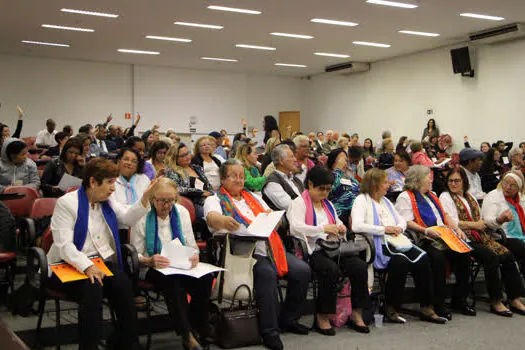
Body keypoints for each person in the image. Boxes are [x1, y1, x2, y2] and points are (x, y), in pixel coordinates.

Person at [47, 158, 155, 350]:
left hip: (99, 262)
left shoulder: (107, 202)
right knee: (93, 287)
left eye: (114, 182)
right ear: (92, 182)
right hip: (66, 265)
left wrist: (145, 198)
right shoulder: (66, 203)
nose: (114, 188)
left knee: (123, 283)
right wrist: (87, 266)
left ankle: (128, 342)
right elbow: (64, 245)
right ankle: (89, 346)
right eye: (109, 182)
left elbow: (128, 219)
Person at [204, 160, 310, 350]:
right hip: (241, 252)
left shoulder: (253, 197)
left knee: (302, 270)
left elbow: (271, 216)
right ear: (222, 179)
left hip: (269, 246)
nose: (239, 180)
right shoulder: (215, 199)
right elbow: (212, 218)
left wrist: (274, 221)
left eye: (242, 176)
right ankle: (270, 331)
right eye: (234, 176)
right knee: (266, 273)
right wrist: (224, 221)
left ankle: (288, 319)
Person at [352, 168, 446, 324]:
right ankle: (391, 307)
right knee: (400, 261)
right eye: (385, 182)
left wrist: (399, 229)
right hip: (377, 243)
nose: (388, 184)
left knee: (422, 259)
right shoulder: (361, 200)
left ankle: (427, 307)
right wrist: (384, 230)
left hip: (395, 240)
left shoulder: (386, 201)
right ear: (375, 184)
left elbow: (401, 220)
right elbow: (356, 226)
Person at [131, 178, 213, 350]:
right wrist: (148, 260)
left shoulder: (181, 212)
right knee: (174, 282)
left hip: (180, 263)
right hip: (152, 266)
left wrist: (194, 256)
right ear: (153, 199)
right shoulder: (142, 216)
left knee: (206, 278)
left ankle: (198, 326)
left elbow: (191, 245)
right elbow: (134, 254)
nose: (167, 205)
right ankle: (187, 335)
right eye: (162, 201)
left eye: (170, 200)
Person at [288, 166, 371, 335]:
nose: (325, 193)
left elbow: (338, 220)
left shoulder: (328, 204)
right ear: (310, 185)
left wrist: (340, 227)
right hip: (314, 250)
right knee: (330, 270)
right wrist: (322, 229)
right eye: (321, 189)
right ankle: (322, 315)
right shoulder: (298, 203)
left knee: (359, 266)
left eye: (328, 189)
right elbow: (295, 228)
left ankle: (357, 312)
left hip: (334, 248)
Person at [440, 168, 525, 317]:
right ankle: (496, 300)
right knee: (490, 255)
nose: (453, 184)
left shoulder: (469, 197)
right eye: (450, 181)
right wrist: (475, 225)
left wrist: (480, 225)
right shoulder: (446, 197)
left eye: (457, 181)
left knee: (507, 255)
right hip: (461, 237)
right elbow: (451, 221)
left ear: (463, 182)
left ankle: (514, 298)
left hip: (480, 235)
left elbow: (480, 220)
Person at [395, 165, 474, 319]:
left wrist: (456, 228)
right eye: (427, 177)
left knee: (464, 254)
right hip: (425, 237)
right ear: (418, 180)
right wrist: (425, 230)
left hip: (443, 234)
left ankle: (460, 299)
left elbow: (444, 215)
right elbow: (406, 221)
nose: (431, 179)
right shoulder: (406, 197)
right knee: (438, 258)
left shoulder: (432, 195)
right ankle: (438, 303)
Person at [482, 171, 525, 279]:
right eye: (505, 183)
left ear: (518, 188)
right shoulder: (494, 197)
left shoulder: (521, 198)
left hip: (520, 235)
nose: (508, 187)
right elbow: (487, 222)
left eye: (513, 185)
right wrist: (499, 220)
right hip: (501, 236)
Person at [165, 143, 213, 219]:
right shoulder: (172, 171)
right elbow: (175, 189)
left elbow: (208, 185)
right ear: (175, 158)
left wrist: (211, 194)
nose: (187, 157)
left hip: (208, 200)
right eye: (183, 156)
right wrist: (199, 192)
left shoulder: (197, 168)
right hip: (192, 203)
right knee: (209, 215)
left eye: (188, 153)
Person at [262, 144, 303, 212]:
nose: (295, 159)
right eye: (291, 157)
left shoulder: (295, 179)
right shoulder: (272, 183)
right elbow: (290, 206)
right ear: (281, 161)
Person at [326, 148, 360, 226]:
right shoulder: (327, 176)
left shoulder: (350, 178)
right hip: (340, 213)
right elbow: (331, 189)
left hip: (356, 212)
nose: (344, 162)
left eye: (345, 160)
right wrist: (337, 169)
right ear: (333, 160)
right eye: (341, 159)